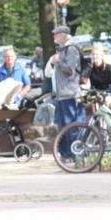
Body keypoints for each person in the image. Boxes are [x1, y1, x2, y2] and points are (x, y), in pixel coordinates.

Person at [49, 26, 85, 160]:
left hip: (70, 93)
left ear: (64, 35)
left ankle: (77, 155)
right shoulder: (63, 49)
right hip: (62, 95)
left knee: (72, 127)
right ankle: (66, 154)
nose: (54, 37)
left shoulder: (72, 49)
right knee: (63, 127)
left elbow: (70, 68)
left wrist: (57, 61)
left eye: (56, 34)